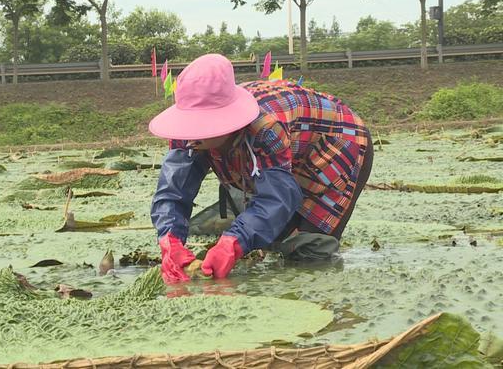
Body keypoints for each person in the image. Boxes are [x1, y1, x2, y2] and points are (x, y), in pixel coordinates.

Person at [149, 54, 373, 283]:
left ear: (224, 121)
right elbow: (173, 190)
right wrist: (170, 240)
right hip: (289, 149)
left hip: (336, 143)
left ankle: (323, 301)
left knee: (309, 248)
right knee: (275, 234)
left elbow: (276, 199)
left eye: (202, 125)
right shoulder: (186, 135)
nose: (192, 137)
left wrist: (233, 243)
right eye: (189, 125)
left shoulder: (264, 128)